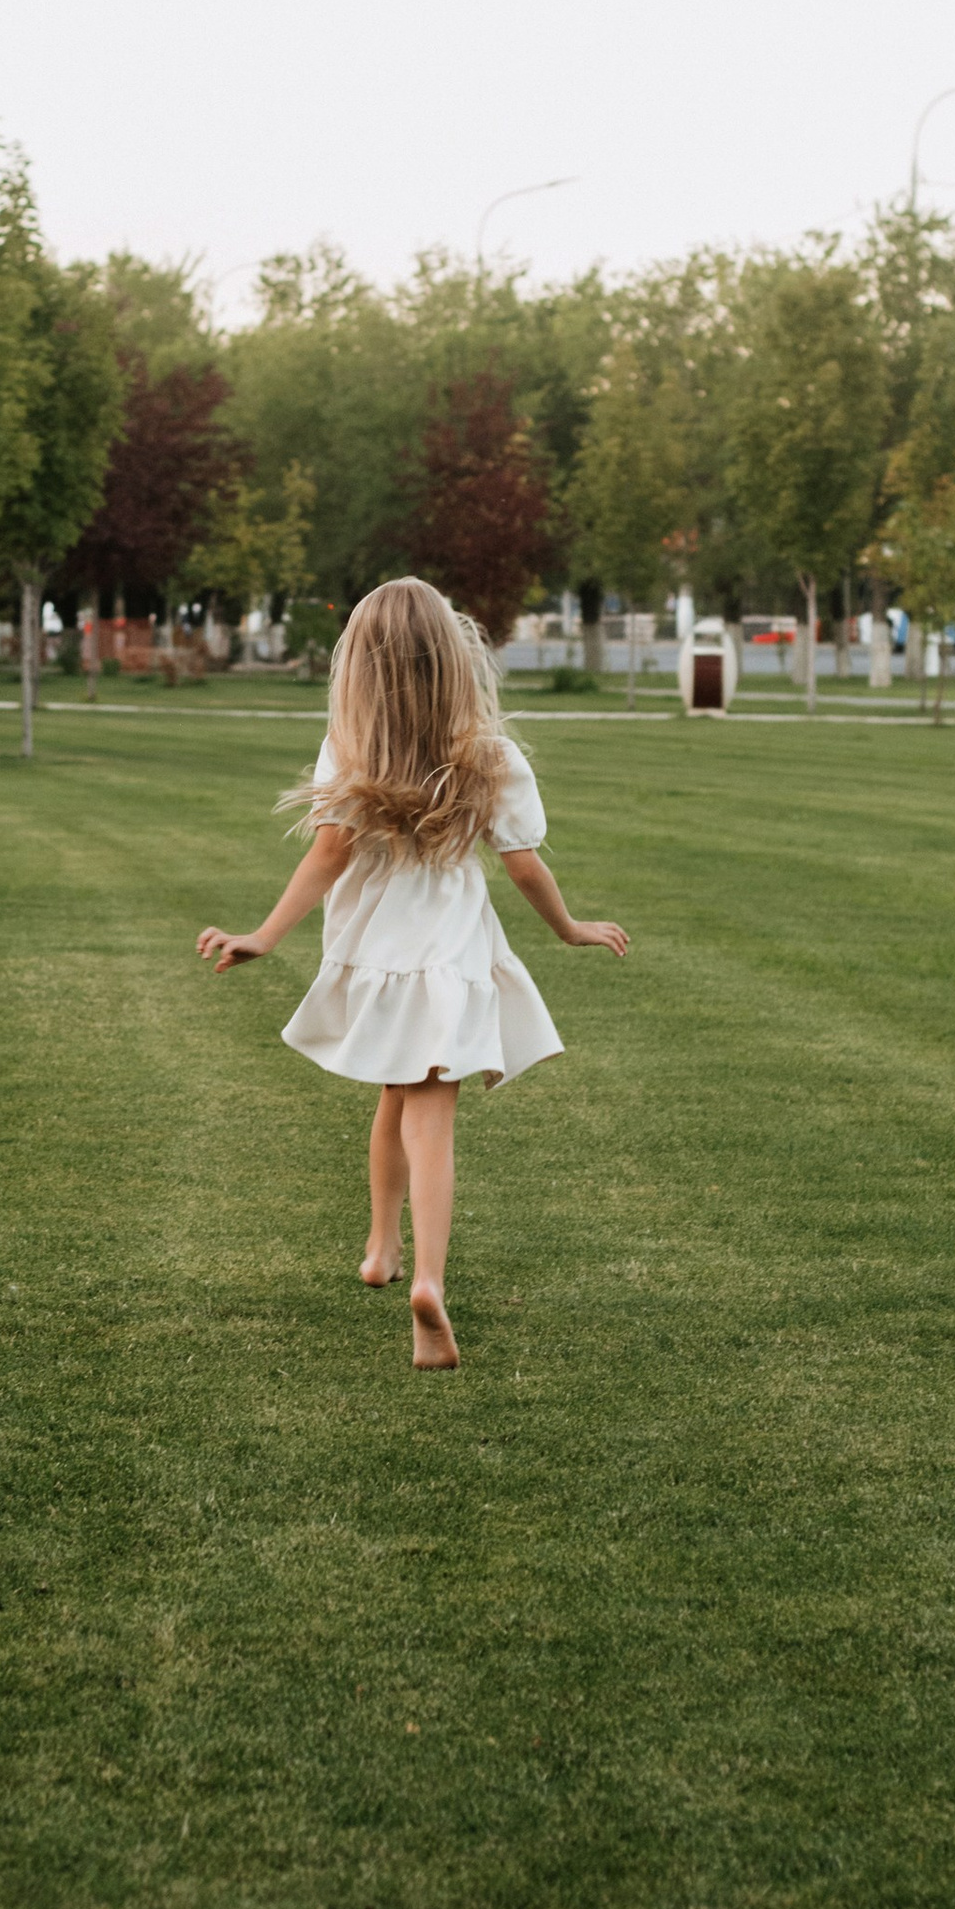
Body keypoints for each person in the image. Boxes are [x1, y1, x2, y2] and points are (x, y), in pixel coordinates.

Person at [195, 576, 629, 1367]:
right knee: (427, 1111)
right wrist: (569, 929)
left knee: (397, 1090)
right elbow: (523, 865)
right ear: (452, 658)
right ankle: (423, 1277)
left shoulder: (350, 747)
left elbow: (328, 855)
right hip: (450, 956)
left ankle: (381, 1248)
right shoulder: (489, 755)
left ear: (361, 666)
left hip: (377, 954)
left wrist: (265, 934)